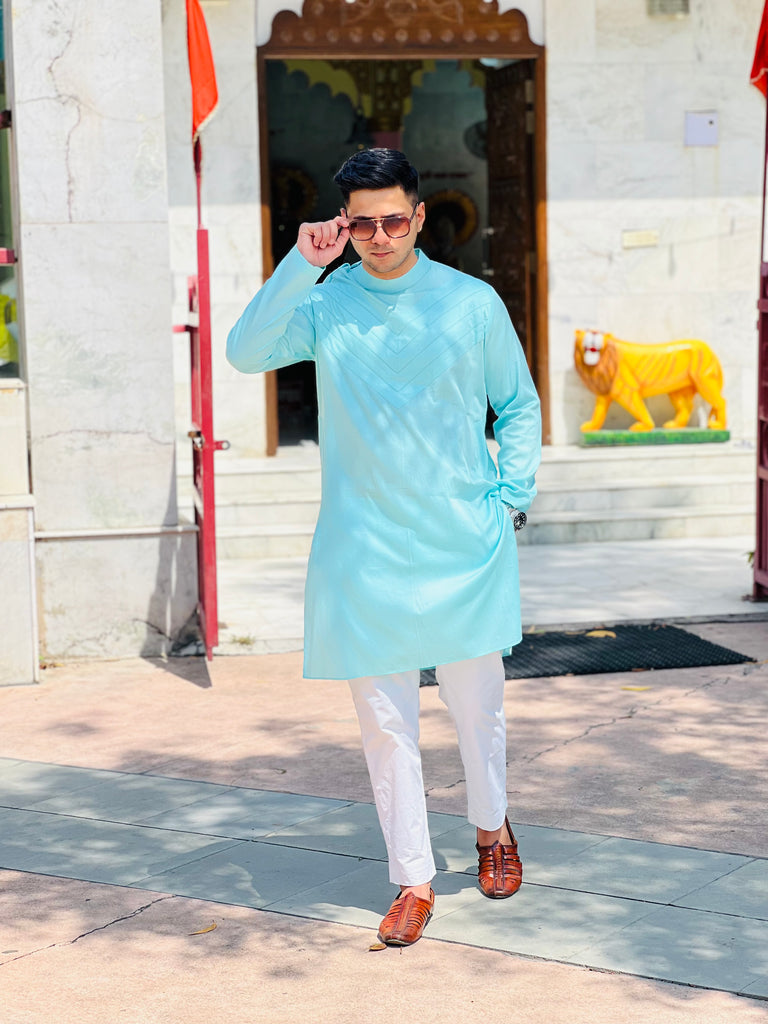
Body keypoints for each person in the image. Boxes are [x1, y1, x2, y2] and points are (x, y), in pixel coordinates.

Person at [227, 149, 541, 947]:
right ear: (345, 224)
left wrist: (509, 500)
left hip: (461, 542)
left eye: (393, 220)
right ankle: (413, 878)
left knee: (478, 708)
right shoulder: (328, 302)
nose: (379, 237)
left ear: (420, 216)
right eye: (362, 224)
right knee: (384, 723)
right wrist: (301, 264)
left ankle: (493, 829)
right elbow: (245, 350)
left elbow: (517, 404)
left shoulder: (470, 303)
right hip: (363, 547)